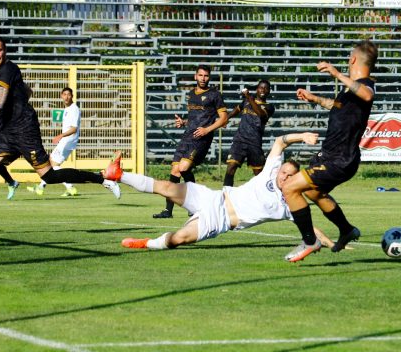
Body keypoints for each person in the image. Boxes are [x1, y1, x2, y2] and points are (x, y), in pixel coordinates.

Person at [0, 36, 120, 233]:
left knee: (49, 176)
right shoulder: (3, 73)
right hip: (9, 132)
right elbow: (27, 91)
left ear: (4, 51)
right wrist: (12, 102)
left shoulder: (7, 69)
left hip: (25, 131)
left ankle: (102, 179)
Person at [102, 132, 335, 251]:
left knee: (178, 239)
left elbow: (310, 227)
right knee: (167, 187)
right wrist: (302, 136)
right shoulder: (269, 172)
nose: (283, 176)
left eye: (289, 175)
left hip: (220, 220)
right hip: (213, 197)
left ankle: (146, 243)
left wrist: (332, 243)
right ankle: (118, 174)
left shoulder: (289, 203)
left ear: (294, 179)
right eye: (283, 171)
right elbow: (280, 142)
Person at [281, 40, 379, 263]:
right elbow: (337, 106)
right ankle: (346, 230)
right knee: (314, 192)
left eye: (349, 56)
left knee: (289, 187)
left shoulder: (365, 84)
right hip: (331, 155)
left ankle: (309, 240)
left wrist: (336, 73)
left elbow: (367, 95)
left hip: (340, 159)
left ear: (353, 59)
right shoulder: (348, 90)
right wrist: (315, 99)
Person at [152, 64, 228, 219]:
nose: (203, 78)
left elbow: (224, 119)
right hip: (187, 136)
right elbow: (195, 118)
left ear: (209, 77)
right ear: (195, 76)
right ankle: (168, 211)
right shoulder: (191, 94)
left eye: (206, 76)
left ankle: (195, 205)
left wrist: (207, 130)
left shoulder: (215, 94)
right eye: (200, 75)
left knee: (184, 168)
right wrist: (184, 122)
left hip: (202, 138)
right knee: (175, 171)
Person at [27, 87, 81, 197]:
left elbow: (74, 128)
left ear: (72, 96)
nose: (66, 96)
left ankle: (69, 187)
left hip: (67, 141)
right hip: (67, 140)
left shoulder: (74, 109)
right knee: (52, 165)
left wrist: (60, 136)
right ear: (61, 96)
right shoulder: (66, 109)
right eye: (64, 94)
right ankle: (45, 187)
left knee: (52, 164)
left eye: (69, 94)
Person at [223, 80, 274, 187]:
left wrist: (249, 97)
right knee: (231, 168)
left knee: (259, 175)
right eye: (261, 87)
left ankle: (264, 198)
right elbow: (237, 109)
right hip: (239, 140)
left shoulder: (269, 107)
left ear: (269, 91)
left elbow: (260, 113)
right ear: (257, 89)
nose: (263, 90)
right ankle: (226, 196)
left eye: (266, 88)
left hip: (254, 142)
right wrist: (226, 118)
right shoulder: (246, 101)